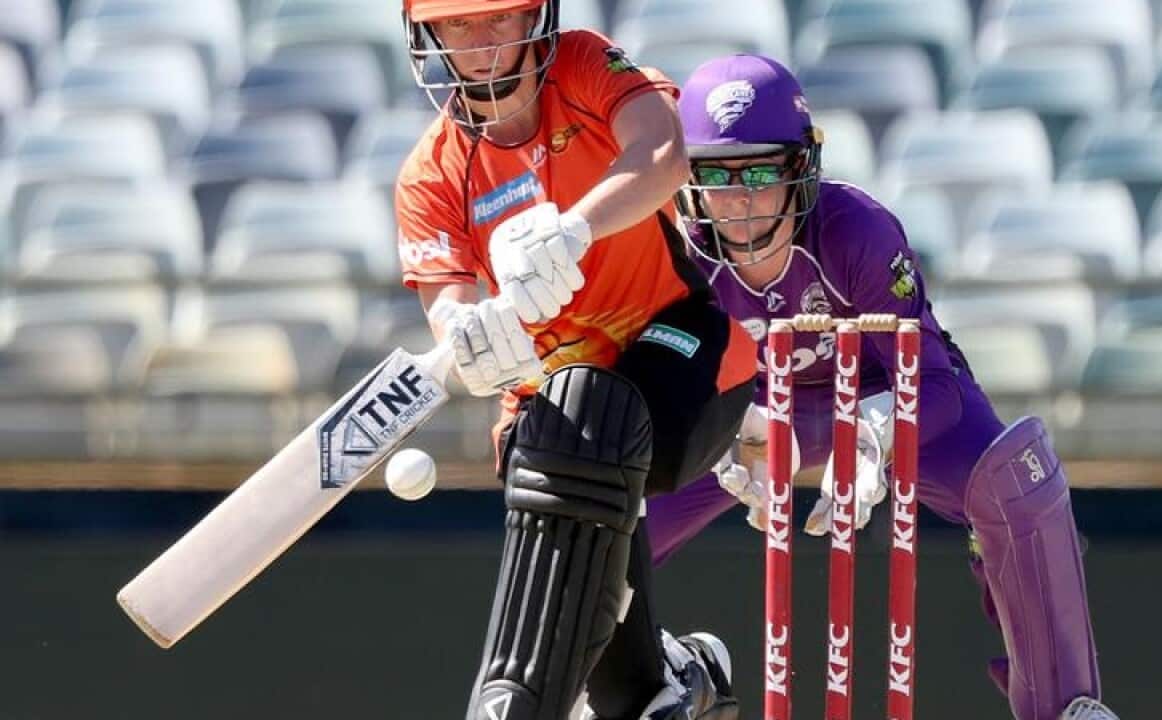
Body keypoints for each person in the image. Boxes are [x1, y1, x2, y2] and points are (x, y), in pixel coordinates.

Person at [643, 53, 1121, 720]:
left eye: (759, 172)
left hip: (881, 394)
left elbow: (932, 382)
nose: (742, 200)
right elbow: (656, 379)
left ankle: (1065, 704)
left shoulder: (855, 230)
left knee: (1018, 481)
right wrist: (720, 443)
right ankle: (649, 673)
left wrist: (873, 438)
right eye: (718, 179)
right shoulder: (675, 250)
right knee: (611, 502)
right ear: (689, 181)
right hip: (750, 415)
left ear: (800, 169)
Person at [394, 1, 754, 718]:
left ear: (538, 15)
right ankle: (667, 679)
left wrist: (574, 229)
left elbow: (663, 153)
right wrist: (470, 341)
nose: (483, 43)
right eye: (459, 26)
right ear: (430, 36)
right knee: (628, 699)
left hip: (685, 350)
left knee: (591, 412)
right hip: (552, 411)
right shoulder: (429, 178)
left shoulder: (584, 66)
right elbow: (449, 310)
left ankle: (513, 702)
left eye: (499, 17)